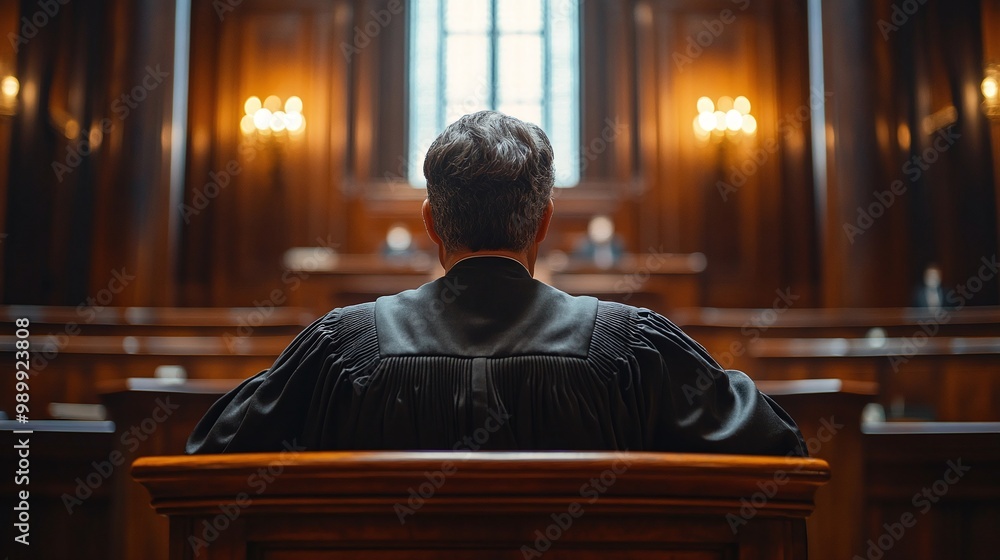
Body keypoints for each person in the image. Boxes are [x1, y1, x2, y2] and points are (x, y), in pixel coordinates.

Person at [187, 111, 806, 456]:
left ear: (430, 222)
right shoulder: (629, 348)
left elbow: (210, 457)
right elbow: (780, 446)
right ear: (544, 223)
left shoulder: (344, 349)